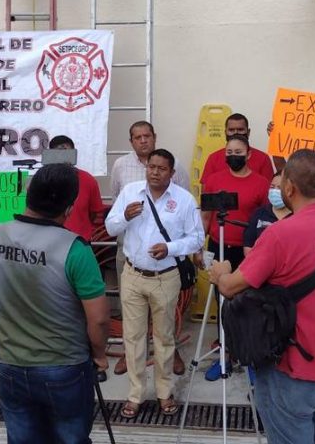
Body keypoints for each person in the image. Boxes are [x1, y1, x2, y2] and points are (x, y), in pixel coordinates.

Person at [208, 149, 315, 444]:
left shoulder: (280, 234)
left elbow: (231, 287)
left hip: (291, 374)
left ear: (290, 188)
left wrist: (220, 272)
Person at [0, 163, 110, 443]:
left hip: (10, 362)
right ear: (68, 208)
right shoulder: (75, 248)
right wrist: (100, 354)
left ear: (28, 194)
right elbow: (99, 318)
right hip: (63, 366)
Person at [105, 149, 205, 419]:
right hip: (133, 275)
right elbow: (110, 227)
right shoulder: (131, 193)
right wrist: (124, 216)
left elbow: (196, 239)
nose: (155, 172)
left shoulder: (184, 200)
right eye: (151, 167)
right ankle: (135, 394)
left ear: (172, 173)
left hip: (166, 277)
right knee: (134, 337)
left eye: (161, 168)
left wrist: (170, 248)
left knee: (164, 337)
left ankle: (164, 392)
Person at [109, 120, 191, 375]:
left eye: (147, 136)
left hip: (166, 256)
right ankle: (131, 353)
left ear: (155, 137)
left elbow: (185, 206)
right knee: (131, 308)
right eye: (137, 137)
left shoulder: (175, 165)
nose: (143, 140)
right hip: (130, 252)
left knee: (166, 309)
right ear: (131, 141)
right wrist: (125, 215)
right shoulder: (121, 166)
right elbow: (115, 205)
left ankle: (170, 349)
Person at [201, 134, 270, 270]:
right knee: (218, 288)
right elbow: (205, 217)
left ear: (248, 154)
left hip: (247, 249)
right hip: (217, 245)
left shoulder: (262, 184)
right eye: (229, 152)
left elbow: (266, 221)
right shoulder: (213, 180)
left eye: (238, 152)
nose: (234, 156)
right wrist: (198, 248)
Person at [49, 135, 106, 242]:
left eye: (66, 152)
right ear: (50, 155)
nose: (62, 156)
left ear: (74, 153)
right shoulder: (42, 179)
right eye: (57, 152)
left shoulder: (88, 179)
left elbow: (94, 213)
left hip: (80, 241)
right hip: (50, 241)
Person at [200, 113, 275, 183]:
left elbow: (269, 191)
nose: (236, 133)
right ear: (225, 132)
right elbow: (206, 192)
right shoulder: (213, 158)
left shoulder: (263, 158)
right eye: (231, 130)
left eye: (240, 129)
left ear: (248, 132)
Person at [242, 171, 291, 255]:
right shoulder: (259, 213)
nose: (275, 191)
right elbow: (248, 246)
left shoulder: (298, 215)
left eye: (279, 188)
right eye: (272, 187)